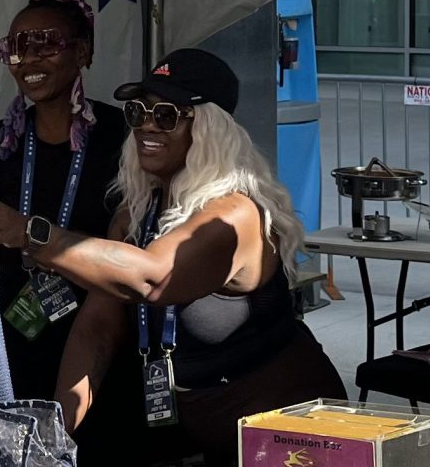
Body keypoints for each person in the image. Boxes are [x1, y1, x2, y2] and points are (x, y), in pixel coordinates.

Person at [26, 48, 342, 465]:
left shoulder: (235, 214)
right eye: (138, 113)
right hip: (212, 436)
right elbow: (98, 328)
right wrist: (52, 437)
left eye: (167, 116)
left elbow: (153, 278)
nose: (146, 127)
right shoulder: (137, 213)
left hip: (294, 439)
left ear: (210, 128)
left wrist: (35, 236)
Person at [0, 0, 125, 406]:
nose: (29, 60)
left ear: (83, 52)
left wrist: (28, 233)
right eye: (17, 48)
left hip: (95, 334)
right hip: (12, 332)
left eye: (46, 44)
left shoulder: (121, 137)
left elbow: (129, 253)